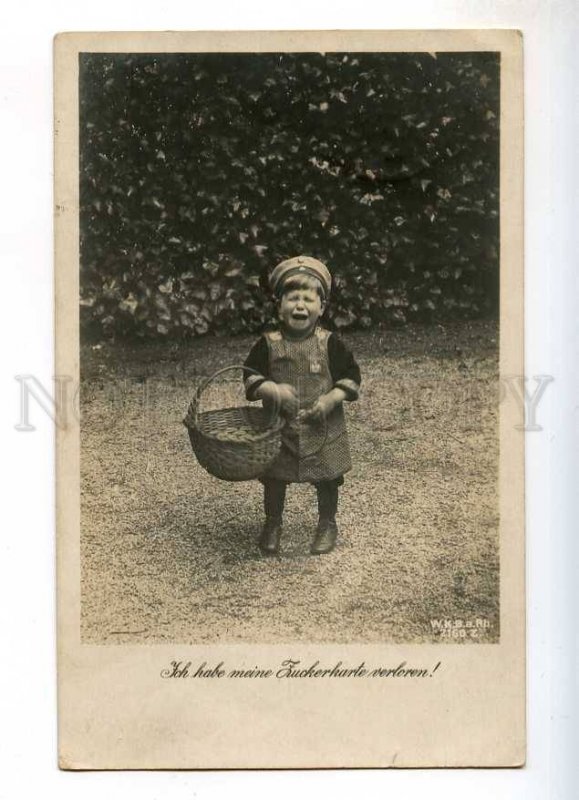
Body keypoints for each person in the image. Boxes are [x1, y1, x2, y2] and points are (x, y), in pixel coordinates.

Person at [243, 255, 361, 556]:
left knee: (328, 477)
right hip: (279, 427)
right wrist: (271, 388)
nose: (300, 306)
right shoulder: (268, 342)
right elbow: (250, 375)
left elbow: (351, 376)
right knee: (274, 476)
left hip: (323, 424)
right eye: (292, 298)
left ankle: (327, 523)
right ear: (279, 306)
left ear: (321, 307)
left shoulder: (330, 343)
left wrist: (331, 399)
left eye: (308, 299)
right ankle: (272, 522)